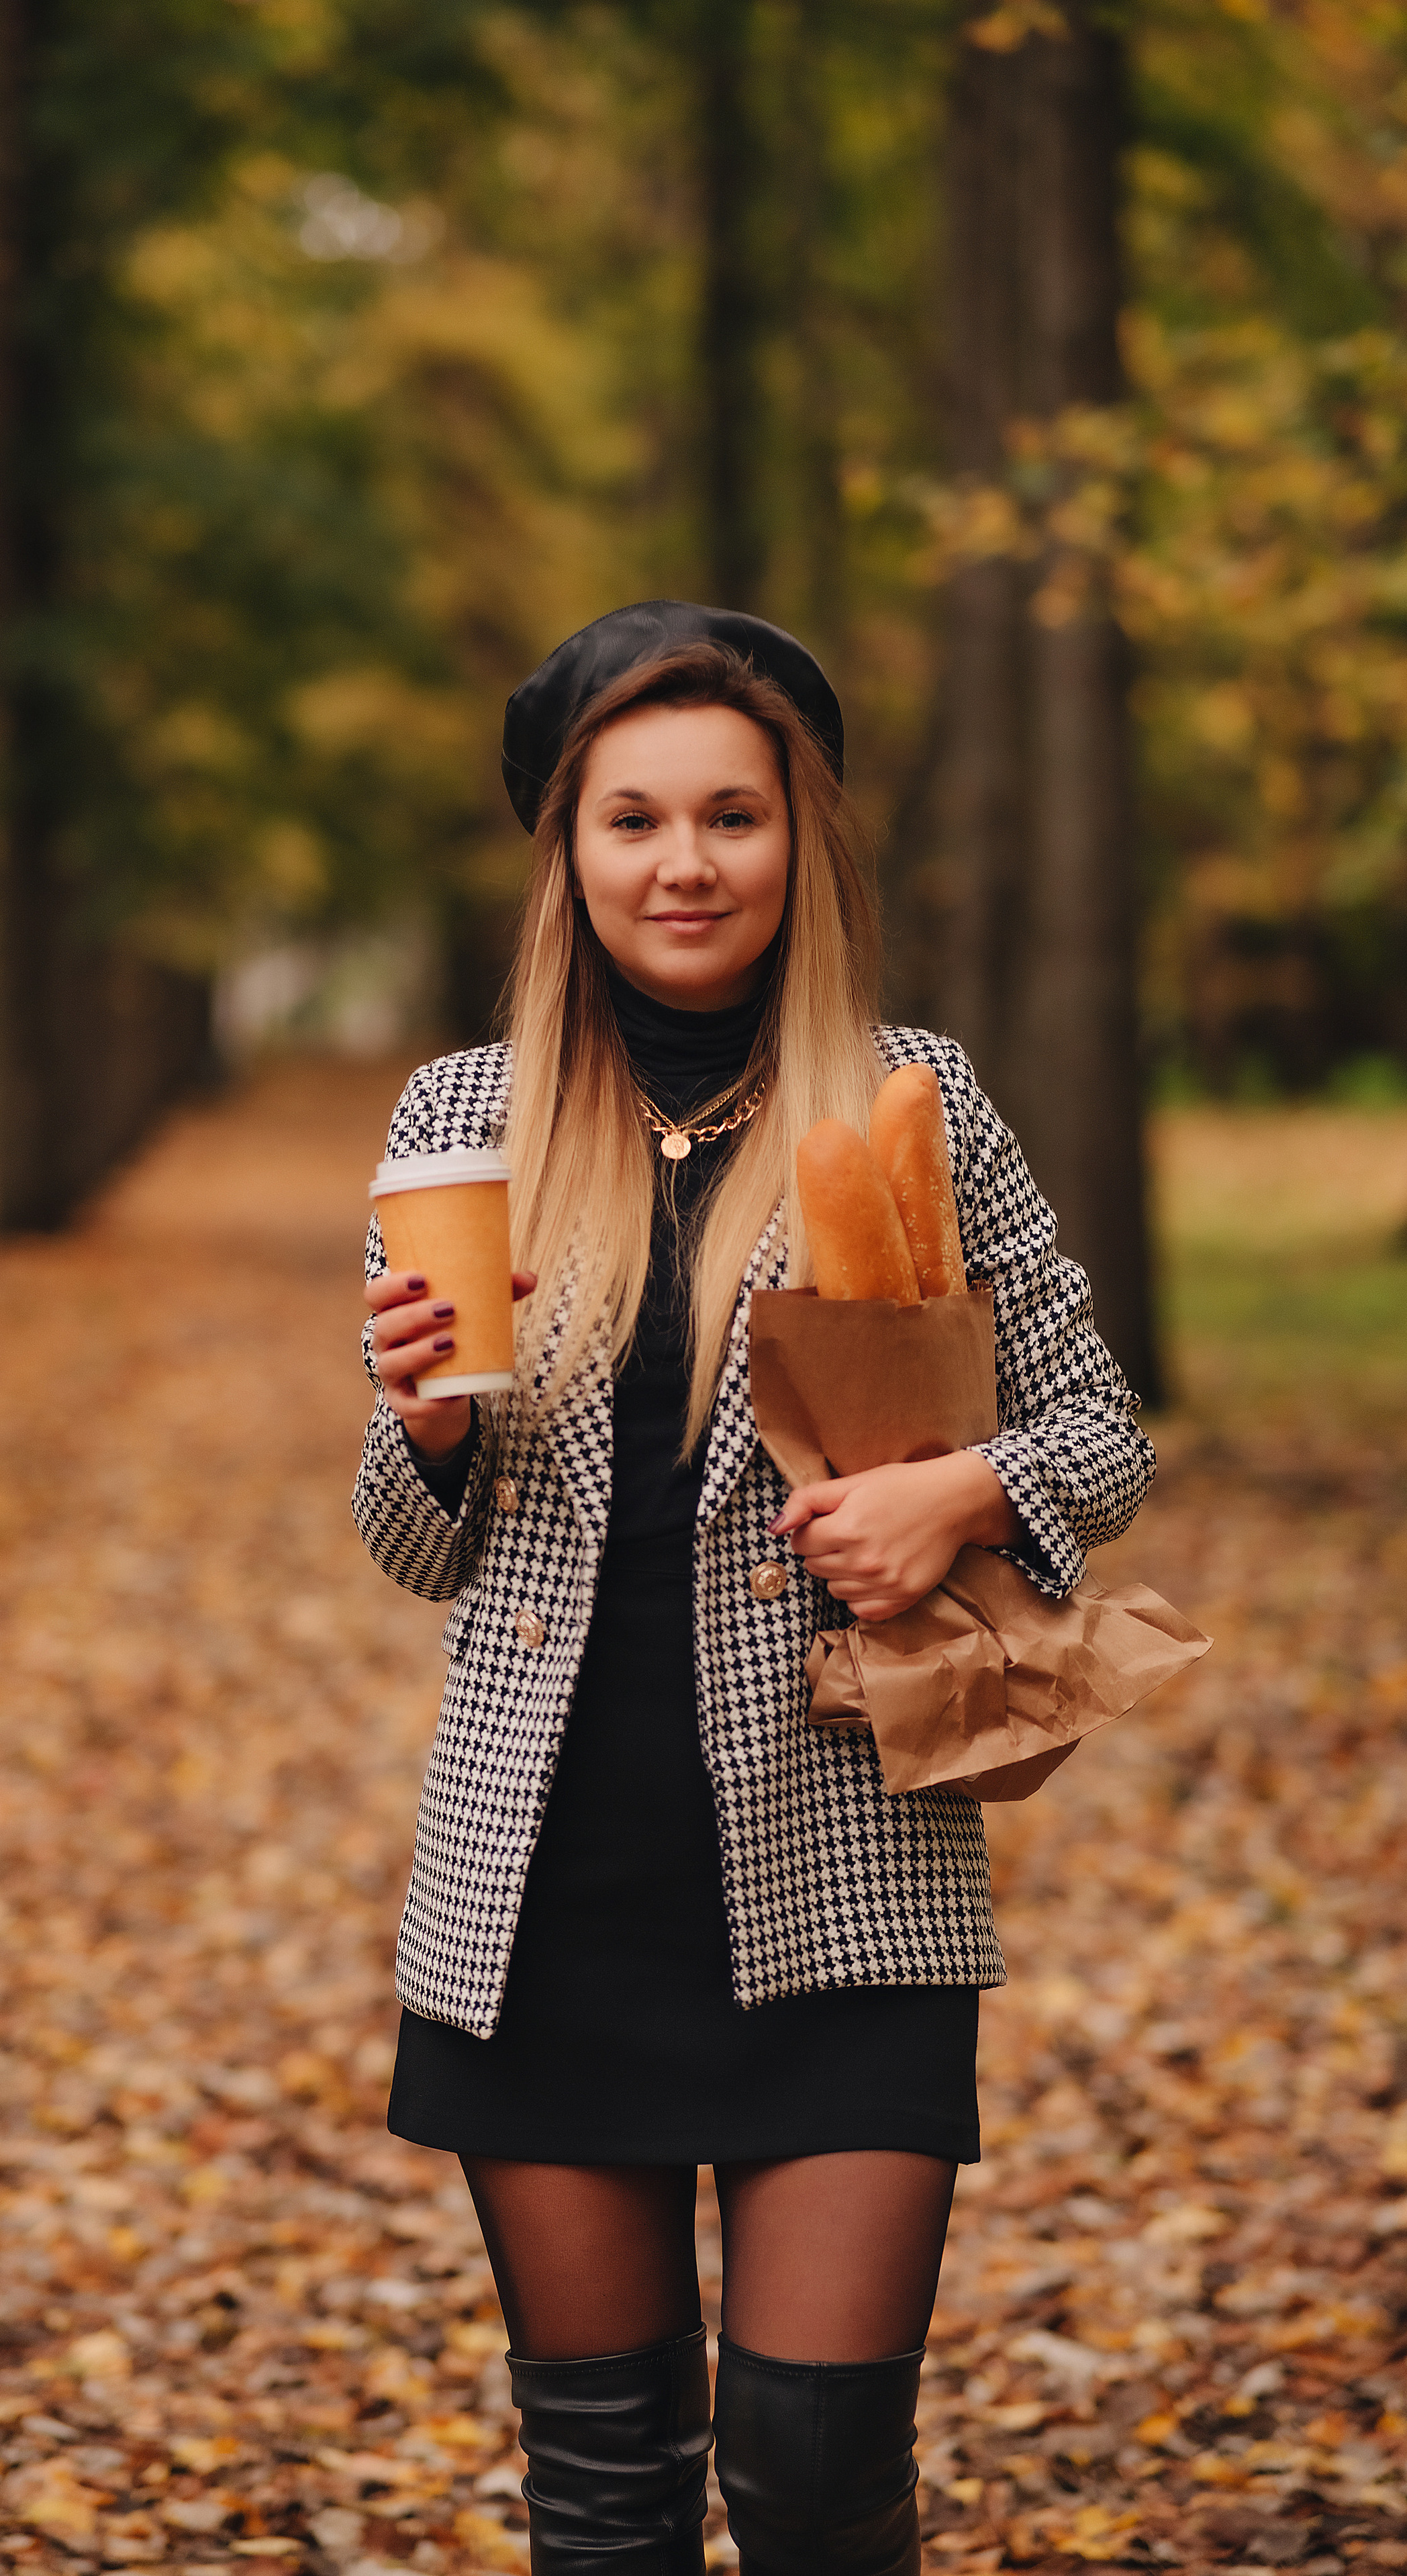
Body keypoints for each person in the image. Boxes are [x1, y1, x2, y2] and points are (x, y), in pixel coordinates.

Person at [352, 602, 1153, 2576]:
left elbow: (1106, 1430)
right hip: (547, 1895)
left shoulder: (912, 1106)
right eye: (633, 820)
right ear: (570, 856)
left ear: (803, 841)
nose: (685, 861)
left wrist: (966, 1487)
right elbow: (410, 1544)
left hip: (845, 1872)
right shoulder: (462, 1123)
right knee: (606, 2502)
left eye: (732, 814)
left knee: (810, 2482)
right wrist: (428, 1428)